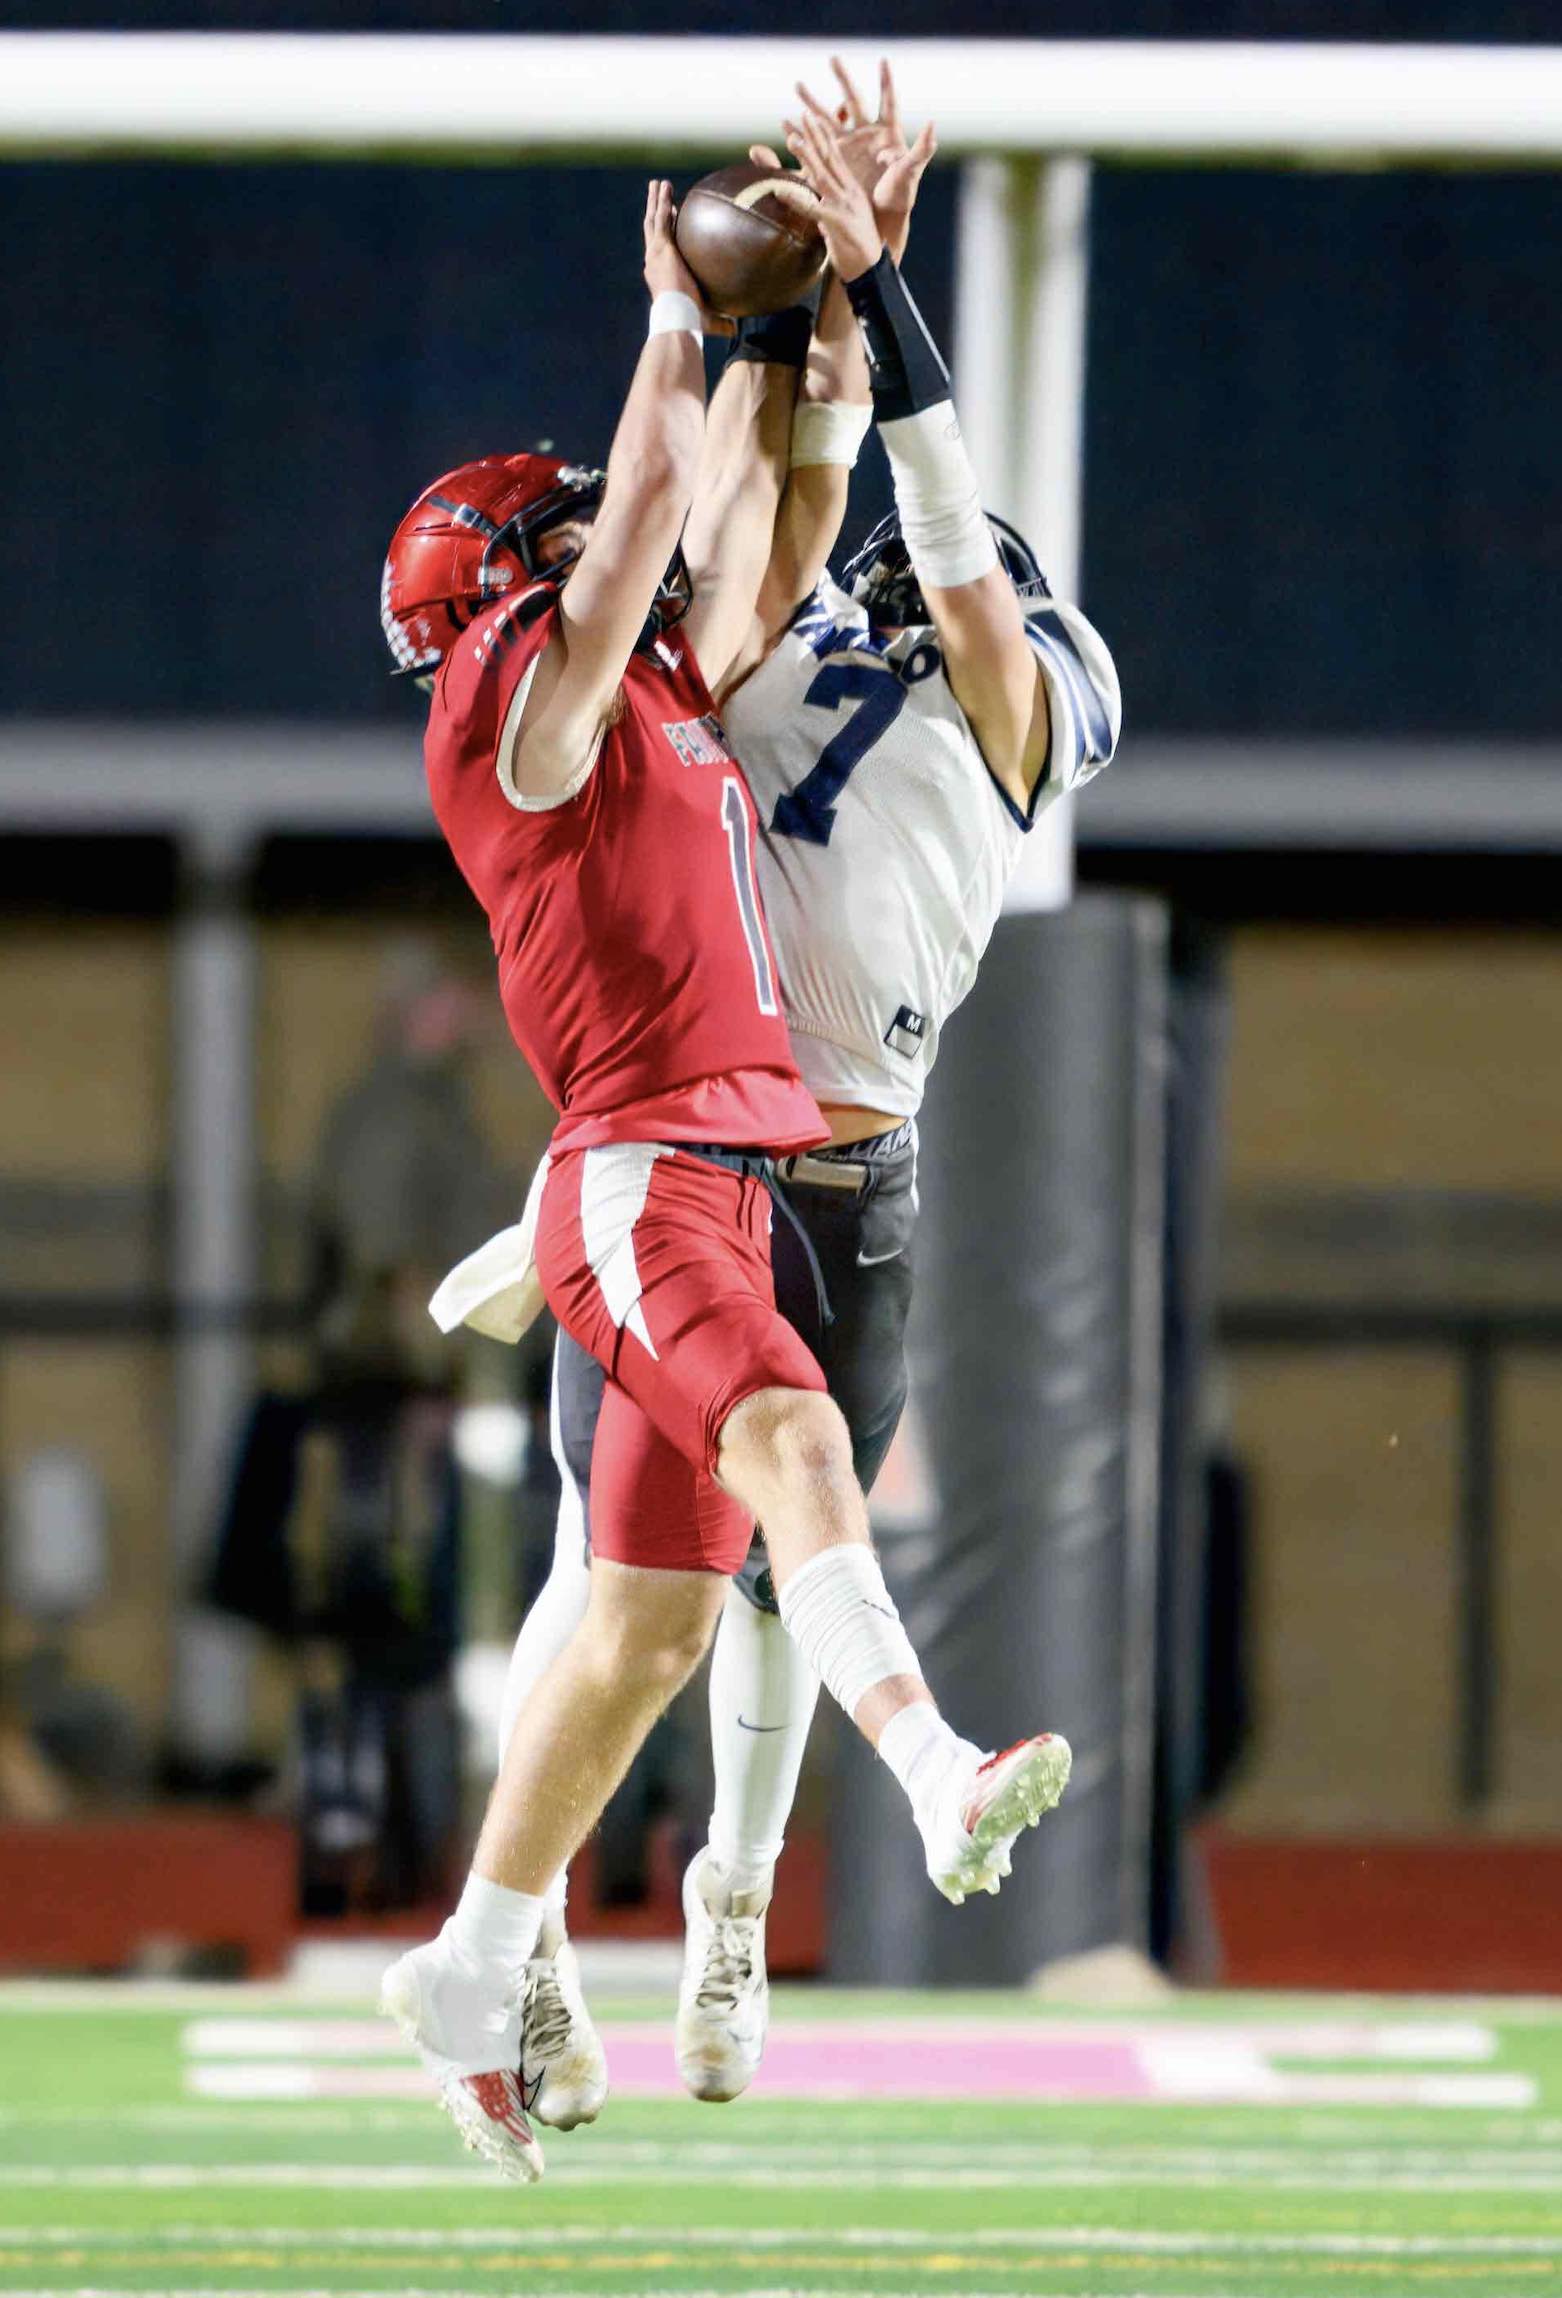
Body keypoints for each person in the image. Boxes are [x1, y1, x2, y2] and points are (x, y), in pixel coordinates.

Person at [377, 176, 1072, 2185]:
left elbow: (763, 504)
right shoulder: (513, 710)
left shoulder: (654, 692)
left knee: (650, 1631)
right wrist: (674, 320)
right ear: (501, 591)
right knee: (789, 1434)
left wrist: (812, 312)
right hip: (642, 1164)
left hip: (729, 1164)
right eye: (559, 532)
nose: (603, 528)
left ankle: (471, 1964)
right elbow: (628, 552)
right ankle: (929, 1769)